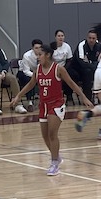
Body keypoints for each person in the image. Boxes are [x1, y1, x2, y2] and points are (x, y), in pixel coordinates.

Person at [11, 43, 92, 176]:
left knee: (52, 134)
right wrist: (18, 96)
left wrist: (84, 98)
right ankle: (56, 156)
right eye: (37, 55)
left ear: (48, 55)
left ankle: (54, 163)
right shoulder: (38, 69)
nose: (38, 57)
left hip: (56, 104)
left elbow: (71, 83)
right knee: (45, 136)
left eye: (40, 55)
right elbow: (31, 84)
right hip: (43, 105)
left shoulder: (58, 69)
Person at [71, 29, 101, 102]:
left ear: (96, 39)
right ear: (87, 37)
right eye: (89, 38)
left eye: (93, 38)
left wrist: (93, 65)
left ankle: (100, 97)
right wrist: (94, 65)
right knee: (87, 72)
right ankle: (88, 99)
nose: (91, 40)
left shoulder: (100, 46)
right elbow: (81, 63)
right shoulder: (81, 45)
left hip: (91, 69)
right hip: (77, 69)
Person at [17, 39, 42, 112]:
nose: (38, 50)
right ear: (32, 48)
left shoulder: (43, 55)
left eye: (40, 48)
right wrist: (36, 76)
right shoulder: (27, 55)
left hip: (37, 73)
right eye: (36, 48)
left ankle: (44, 101)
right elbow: (26, 71)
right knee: (29, 80)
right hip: (24, 72)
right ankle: (29, 102)